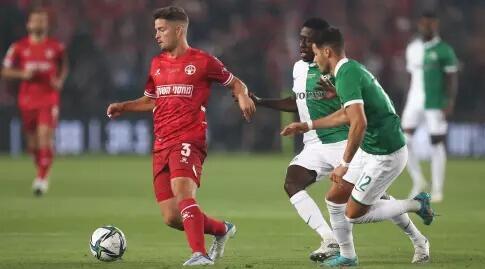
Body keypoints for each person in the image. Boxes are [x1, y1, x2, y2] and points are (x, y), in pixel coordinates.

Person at [253, 18, 429, 264]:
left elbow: (356, 116)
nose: (303, 45)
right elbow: (298, 102)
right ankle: (332, 242)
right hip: (314, 144)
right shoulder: (300, 68)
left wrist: (345, 160)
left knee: (373, 200)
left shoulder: (339, 72)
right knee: (295, 183)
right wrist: (262, 102)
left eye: (309, 41)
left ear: (323, 47)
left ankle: (417, 237)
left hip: (347, 143)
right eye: (301, 39)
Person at [106, 6, 255, 266]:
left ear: (179, 30)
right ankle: (221, 229)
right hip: (161, 143)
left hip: (189, 138)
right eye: (155, 30)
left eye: (161, 29)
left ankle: (200, 254)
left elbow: (235, 83)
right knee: (172, 217)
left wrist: (242, 96)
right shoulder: (156, 64)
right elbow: (151, 100)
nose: (157, 35)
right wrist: (124, 106)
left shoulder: (203, 61)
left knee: (184, 193)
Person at [2, 8, 69, 196]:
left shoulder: (56, 47)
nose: (38, 24)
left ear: (46, 24)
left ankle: (41, 178)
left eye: (42, 21)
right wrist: (21, 74)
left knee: (44, 136)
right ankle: (41, 168)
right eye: (35, 21)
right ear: (28, 24)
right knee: (32, 144)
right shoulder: (18, 47)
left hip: (48, 98)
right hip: (27, 100)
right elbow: (5, 70)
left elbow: (64, 66)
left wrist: (60, 80)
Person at [402, 12, 458, 202]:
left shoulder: (444, 50)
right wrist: (407, 100)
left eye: (431, 25)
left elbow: (451, 78)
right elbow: (410, 76)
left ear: (436, 26)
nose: (427, 28)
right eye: (424, 24)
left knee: (437, 143)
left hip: (435, 101)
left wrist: (449, 101)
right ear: (420, 25)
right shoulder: (413, 48)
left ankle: (437, 189)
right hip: (414, 100)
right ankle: (418, 180)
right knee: (403, 141)